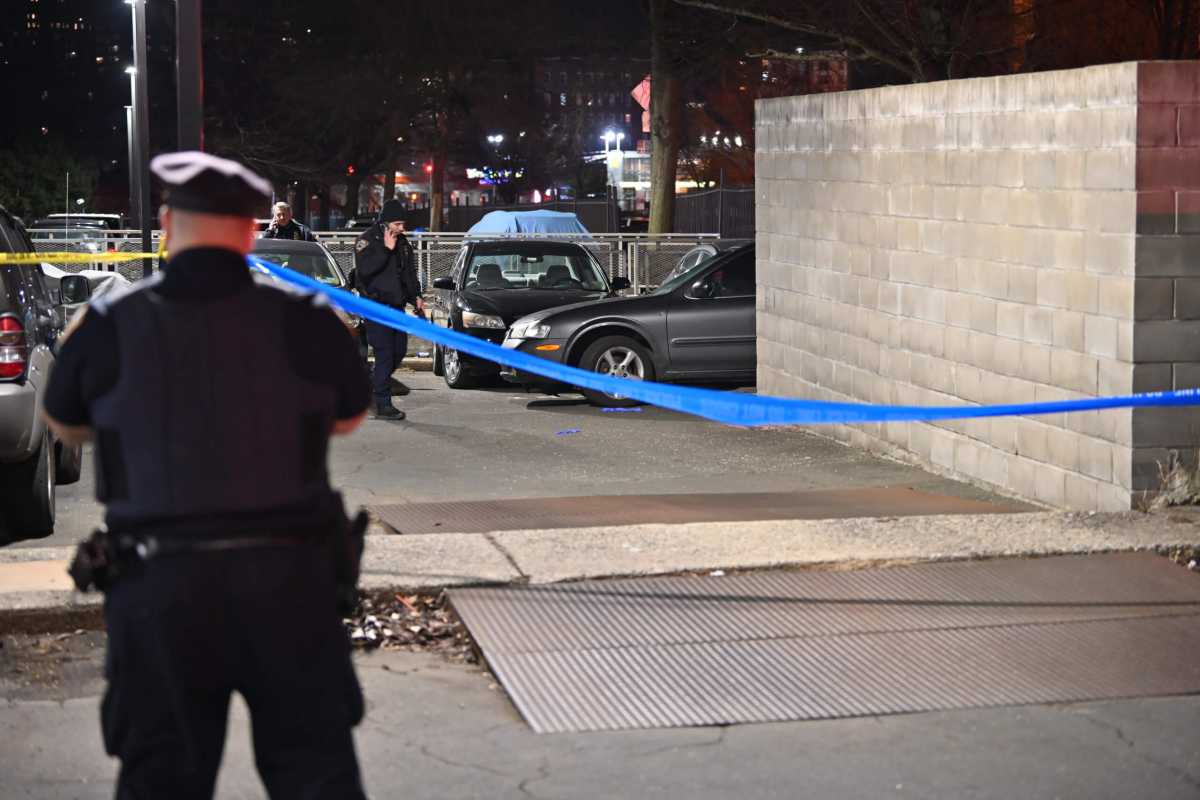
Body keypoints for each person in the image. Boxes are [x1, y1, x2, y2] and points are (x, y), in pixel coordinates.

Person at [42, 151, 371, 799]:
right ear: (253, 232)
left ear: (167, 223)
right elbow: (350, 416)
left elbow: (63, 423)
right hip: (291, 585)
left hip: (159, 587)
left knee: (161, 777)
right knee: (316, 775)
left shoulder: (109, 322)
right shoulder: (308, 318)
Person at [353, 199, 424, 418]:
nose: (402, 228)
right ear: (386, 222)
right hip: (375, 307)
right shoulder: (366, 240)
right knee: (384, 353)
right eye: (398, 224)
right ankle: (383, 404)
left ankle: (373, 386)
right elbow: (364, 272)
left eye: (403, 224)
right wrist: (385, 250)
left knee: (398, 351)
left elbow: (409, 274)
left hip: (396, 307)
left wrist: (416, 296)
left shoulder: (402, 243)